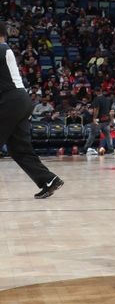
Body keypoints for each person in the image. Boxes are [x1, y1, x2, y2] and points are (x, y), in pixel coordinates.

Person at [0, 22, 63, 199]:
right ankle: (48, 180)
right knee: (19, 149)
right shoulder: (5, 49)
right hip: (20, 100)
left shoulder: (1, 48)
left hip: (11, 100)